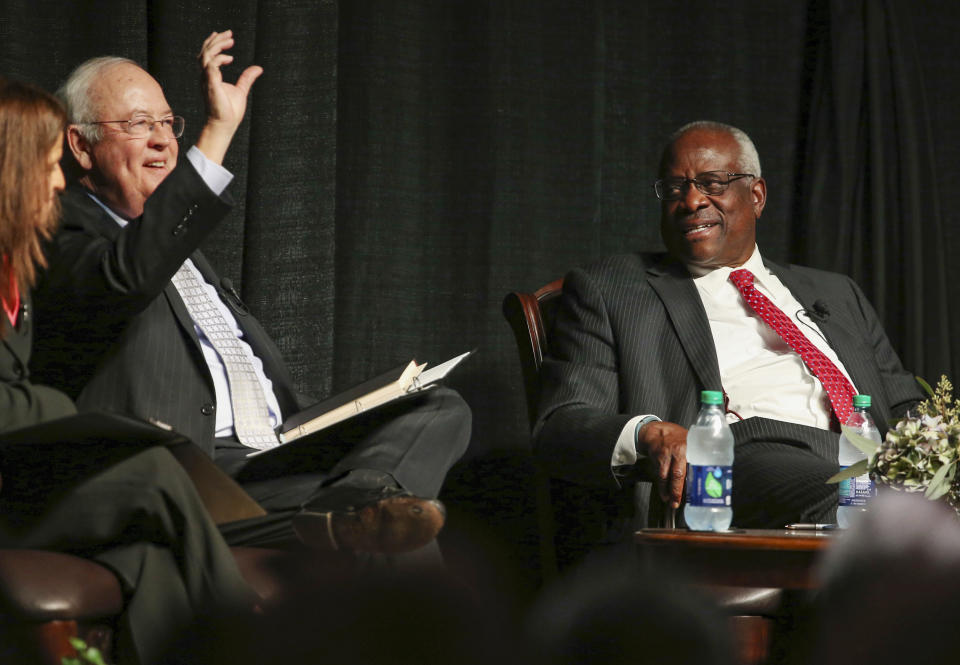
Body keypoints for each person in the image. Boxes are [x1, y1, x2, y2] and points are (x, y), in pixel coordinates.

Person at [30, 30, 471, 555]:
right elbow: (126, 278)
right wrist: (217, 132)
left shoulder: (187, 257)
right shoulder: (59, 235)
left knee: (439, 405)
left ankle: (362, 494)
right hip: (188, 469)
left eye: (168, 124)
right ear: (80, 145)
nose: (163, 141)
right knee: (398, 530)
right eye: (139, 125)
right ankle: (365, 516)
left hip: (274, 451)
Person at [534, 121, 924, 545]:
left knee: (899, 501)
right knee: (863, 507)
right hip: (743, 455)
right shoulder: (614, 288)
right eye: (675, 188)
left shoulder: (834, 291)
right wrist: (650, 432)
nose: (692, 200)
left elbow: (902, 402)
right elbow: (561, 425)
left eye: (712, 183)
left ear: (756, 196)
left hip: (868, 458)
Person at [0, 76, 259, 665]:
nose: (59, 181)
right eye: (47, 166)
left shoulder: (16, 270)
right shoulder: (70, 245)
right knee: (153, 475)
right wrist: (64, 413)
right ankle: (257, 642)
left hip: (24, 484)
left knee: (150, 562)